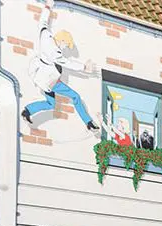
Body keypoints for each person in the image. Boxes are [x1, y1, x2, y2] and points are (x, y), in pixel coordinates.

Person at [21, 0, 99, 131]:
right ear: (62, 41)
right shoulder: (55, 52)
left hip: (38, 73)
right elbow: (67, 63)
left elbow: (43, 22)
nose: (65, 48)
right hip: (49, 80)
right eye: (65, 45)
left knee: (51, 104)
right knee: (75, 96)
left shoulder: (45, 35)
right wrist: (84, 67)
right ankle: (88, 122)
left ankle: (27, 111)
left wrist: (47, 7)